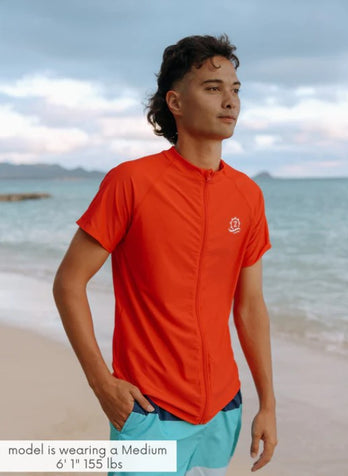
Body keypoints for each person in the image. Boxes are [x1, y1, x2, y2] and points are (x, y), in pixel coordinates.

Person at [53, 34, 277, 476]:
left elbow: (249, 306)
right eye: (213, 88)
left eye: (235, 89)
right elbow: (68, 283)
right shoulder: (131, 182)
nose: (230, 100)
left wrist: (267, 403)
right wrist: (102, 384)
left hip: (223, 411)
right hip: (149, 412)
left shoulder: (247, 195)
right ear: (175, 102)